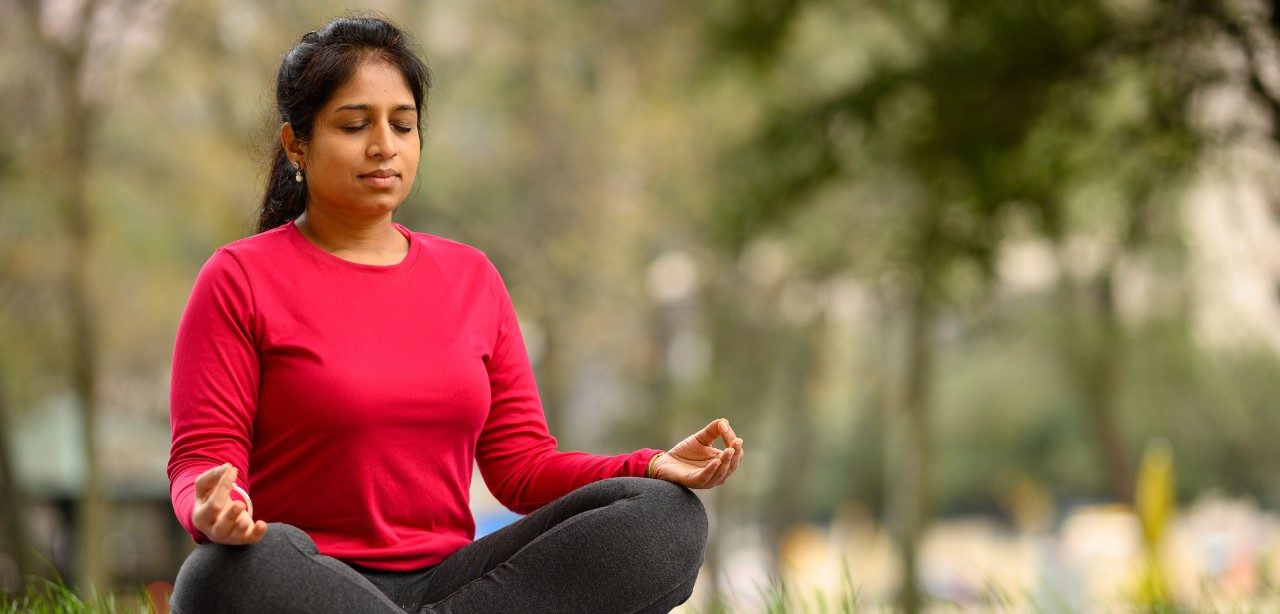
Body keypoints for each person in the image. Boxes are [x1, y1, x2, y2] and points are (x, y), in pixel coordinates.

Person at [165, 14, 744, 614]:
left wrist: (648, 464)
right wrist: (210, 509)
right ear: (297, 145)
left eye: (403, 125)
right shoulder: (239, 279)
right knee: (223, 573)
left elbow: (523, 468)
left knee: (664, 518)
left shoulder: (470, 277)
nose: (384, 145)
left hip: (458, 586)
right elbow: (201, 459)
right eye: (355, 124)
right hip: (306, 579)